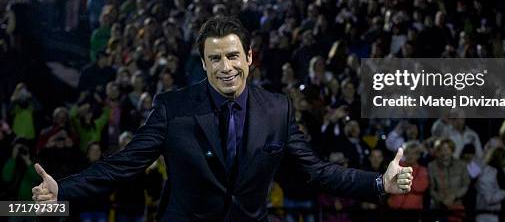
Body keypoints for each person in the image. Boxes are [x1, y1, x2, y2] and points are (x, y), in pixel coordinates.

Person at [32, 16, 413, 221]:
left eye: (233, 56)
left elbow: (316, 170)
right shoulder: (173, 107)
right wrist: (64, 191)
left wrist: (379, 183)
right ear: (203, 63)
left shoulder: (278, 109)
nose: (225, 67)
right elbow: (124, 165)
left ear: (249, 57)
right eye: (215, 59)